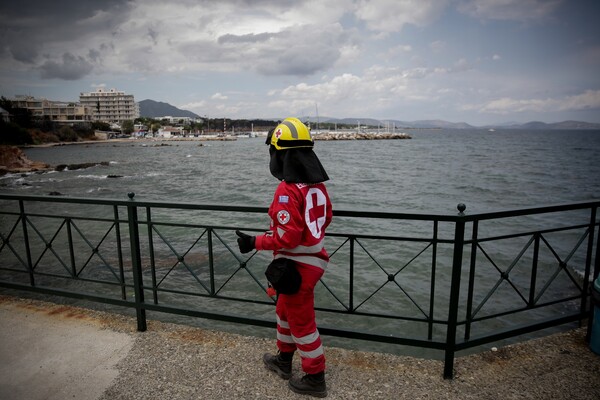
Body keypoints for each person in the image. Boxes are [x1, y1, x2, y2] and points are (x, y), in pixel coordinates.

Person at [236, 117, 332, 398]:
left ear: (280, 155)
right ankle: (283, 361)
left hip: (298, 267)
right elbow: (326, 219)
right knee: (284, 314)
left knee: (302, 324)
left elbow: (287, 238)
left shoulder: (287, 191)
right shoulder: (317, 186)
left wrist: (254, 241)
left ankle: (315, 377)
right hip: (310, 261)